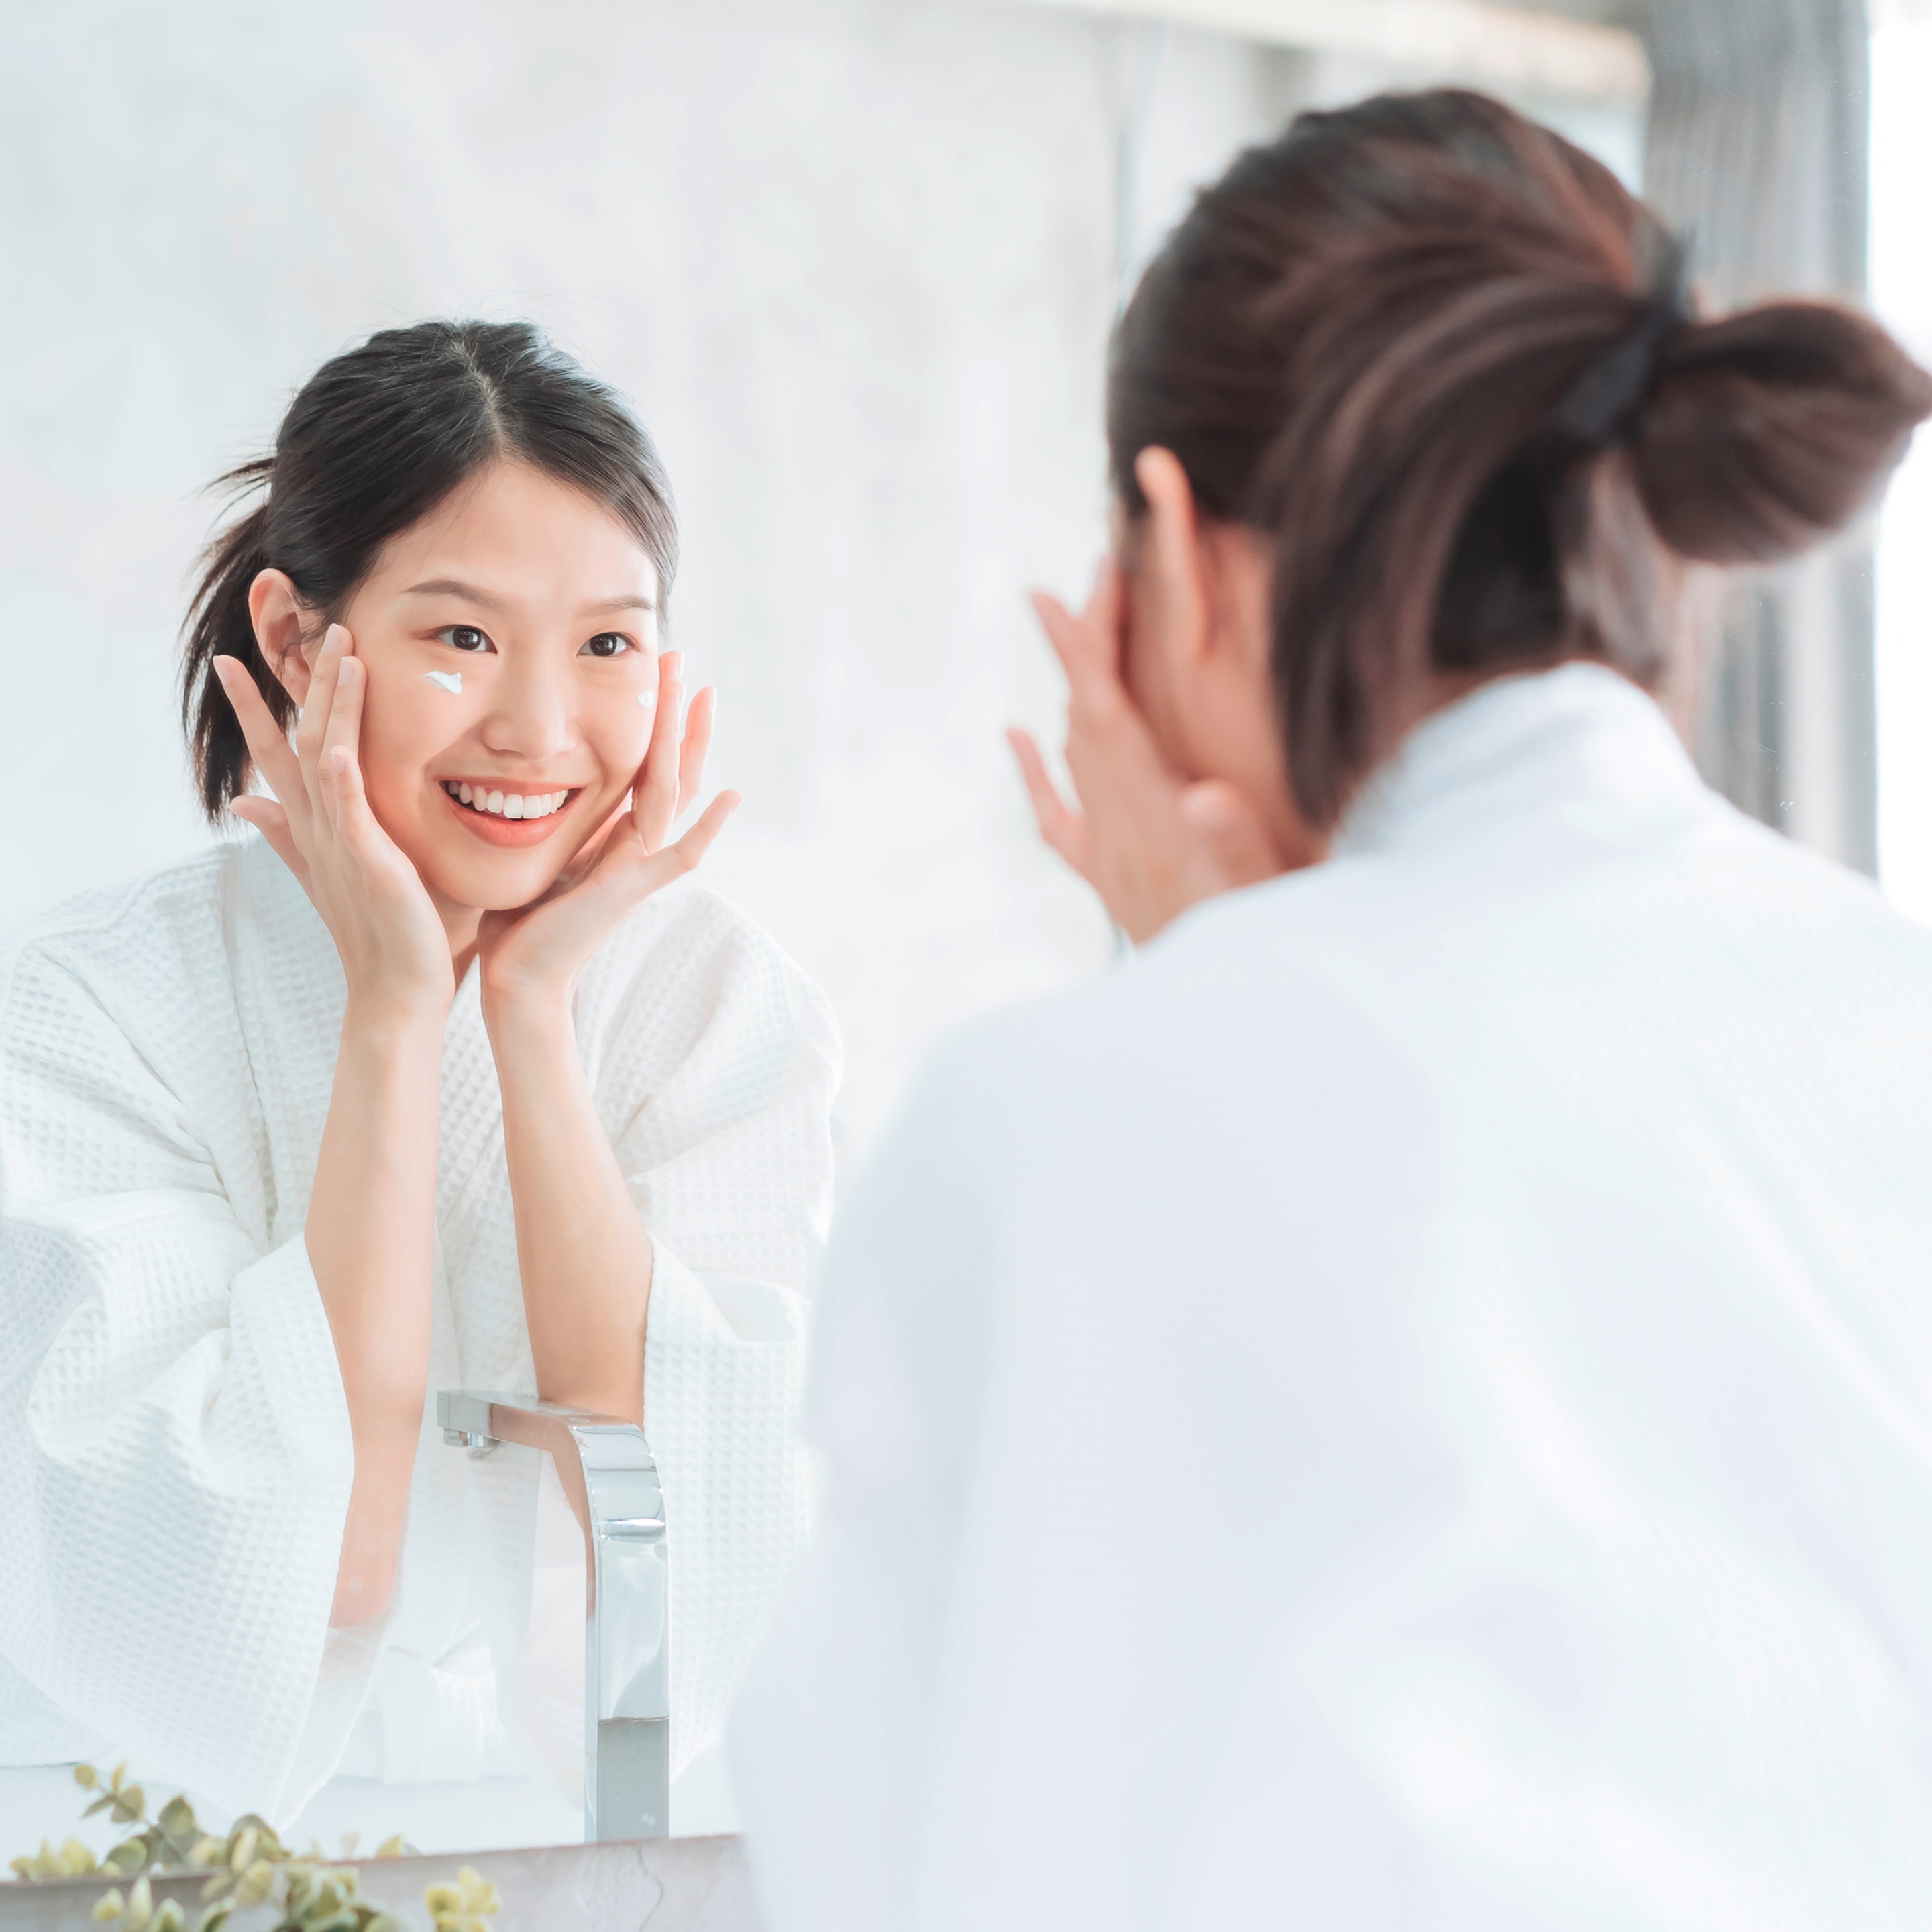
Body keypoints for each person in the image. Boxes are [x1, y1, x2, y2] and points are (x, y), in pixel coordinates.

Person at [729, 89, 1932, 1929]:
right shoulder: (1883, 1009)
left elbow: (873, 1845)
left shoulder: (1066, 1128)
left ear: (1177, 552)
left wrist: (1202, 985)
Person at [0, 322, 837, 1824]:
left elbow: (692, 1563)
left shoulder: (719, 1005)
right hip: (141, 1842)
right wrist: (395, 1010)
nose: (540, 728)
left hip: (588, 1840)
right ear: (301, 636)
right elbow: (315, 1567)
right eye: (462, 636)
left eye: (608, 644)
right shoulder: (86, 1013)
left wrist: (528, 1010)